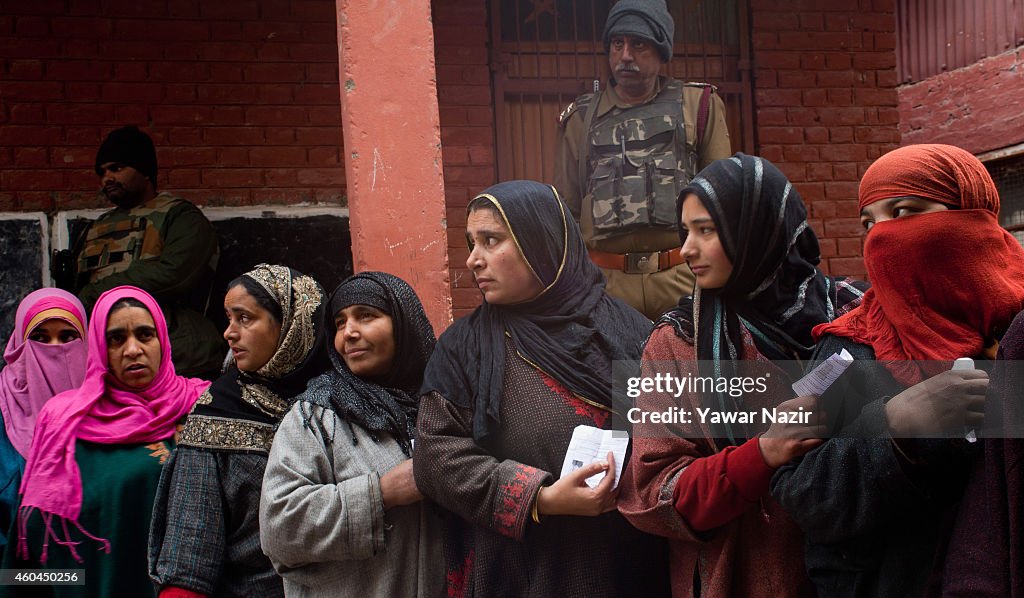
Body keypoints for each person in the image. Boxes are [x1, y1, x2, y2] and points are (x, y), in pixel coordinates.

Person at [770, 144, 1024, 597]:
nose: (881, 237)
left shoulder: (1016, 334)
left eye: (904, 211)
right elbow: (801, 491)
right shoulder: (844, 350)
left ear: (972, 218)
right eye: (869, 222)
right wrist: (892, 427)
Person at [617, 154, 867, 597]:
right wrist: (763, 454)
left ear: (759, 230)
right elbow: (654, 490)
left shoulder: (856, 313)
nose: (687, 249)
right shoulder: (678, 342)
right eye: (686, 231)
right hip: (747, 574)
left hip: (858, 571)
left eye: (706, 230)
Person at [414, 180, 669, 597]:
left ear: (542, 241)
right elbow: (436, 456)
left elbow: (668, 436)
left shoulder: (632, 333)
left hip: (626, 563)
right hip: (520, 570)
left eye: (491, 240)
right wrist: (540, 498)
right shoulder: (464, 347)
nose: (474, 259)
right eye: (471, 242)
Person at [1, 286, 208, 598]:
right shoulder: (62, 421)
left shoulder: (202, 409)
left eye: (145, 335)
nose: (133, 349)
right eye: (116, 339)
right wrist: (71, 584)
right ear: (100, 349)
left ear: (163, 340)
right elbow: (26, 555)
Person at [149, 264, 328, 598]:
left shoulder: (339, 402)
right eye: (229, 318)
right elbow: (189, 557)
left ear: (291, 324)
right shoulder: (217, 410)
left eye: (244, 318)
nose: (228, 333)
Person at [260, 272, 443, 597]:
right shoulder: (315, 416)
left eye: (366, 316)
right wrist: (380, 494)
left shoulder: (446, 405)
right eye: (340, 323)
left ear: (404, 321)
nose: (349, 333)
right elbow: (279, 528)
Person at [554, 0, 731, 320]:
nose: (625, 55)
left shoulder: (698, 106)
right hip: (607, 287)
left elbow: (723, 202)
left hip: (684, 277)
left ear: (661, 50)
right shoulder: (581, 118)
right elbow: (568, 211)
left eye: (638, 44)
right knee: (619, 371)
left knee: (688, 369)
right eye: (617, 44)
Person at [59, 125, 223, 379]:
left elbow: (176, 274)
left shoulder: (180, 216)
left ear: (145, 171)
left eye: (116, 168)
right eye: (101, 173)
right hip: (105, 353)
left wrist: (95, 293)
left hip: (174, 349)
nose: (107, 179)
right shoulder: (95, 227)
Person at [0, 289, 88, 559]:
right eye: (39, 338)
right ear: (19, 346)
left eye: (67, 337)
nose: (54, 349)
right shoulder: (3, 415)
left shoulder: (111, 411)